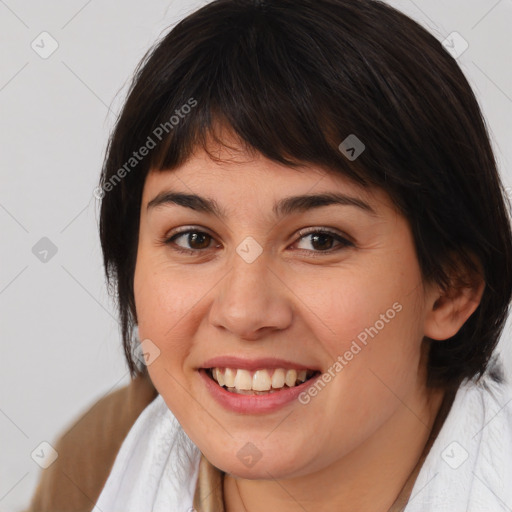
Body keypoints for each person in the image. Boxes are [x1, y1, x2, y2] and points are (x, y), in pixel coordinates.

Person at [25, 0, 512, 511]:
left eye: (320, 240)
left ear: (450, 289)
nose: (244, 312)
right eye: (194, 238)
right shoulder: (101, 457)